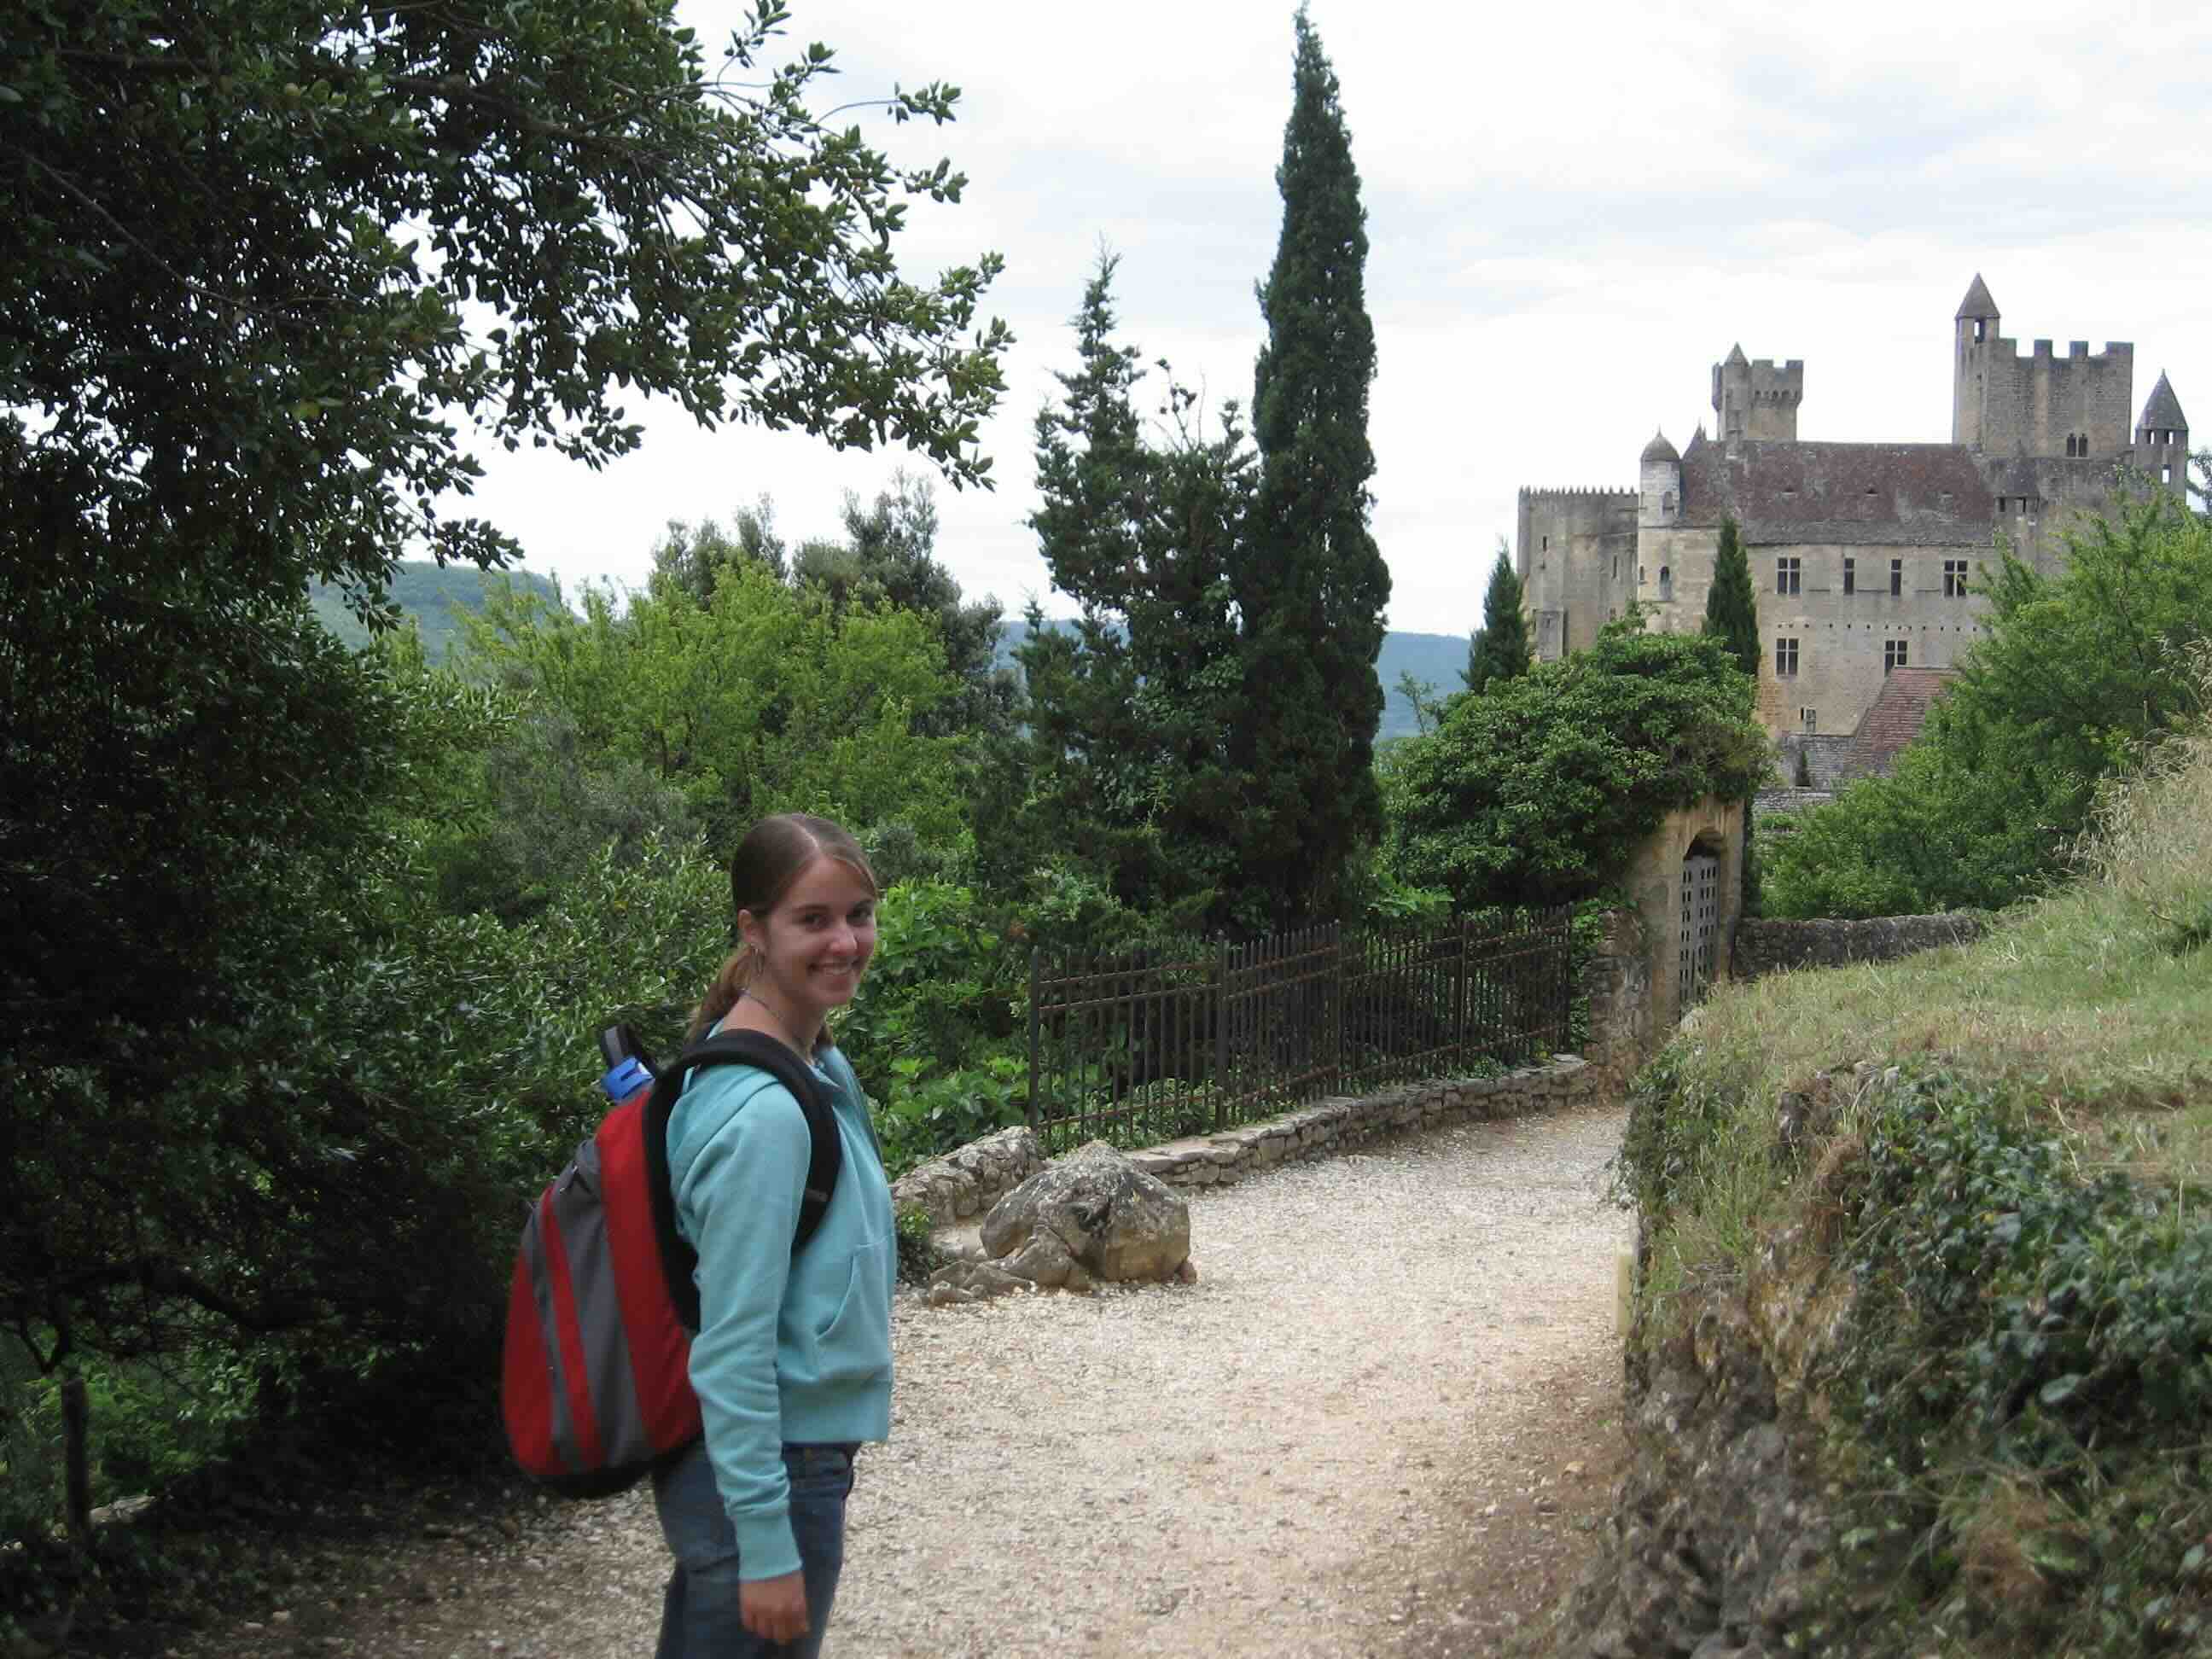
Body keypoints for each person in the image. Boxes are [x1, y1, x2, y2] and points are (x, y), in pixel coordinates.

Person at [654, 813, 896, 1657]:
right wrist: (764, 1544)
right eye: (813, 919)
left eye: (858, 914)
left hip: (787, 1460)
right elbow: (732, 1346)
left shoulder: (814, 1064)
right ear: (752, 931)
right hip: (771, 1472)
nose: (845, 941)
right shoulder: (764, 1114)